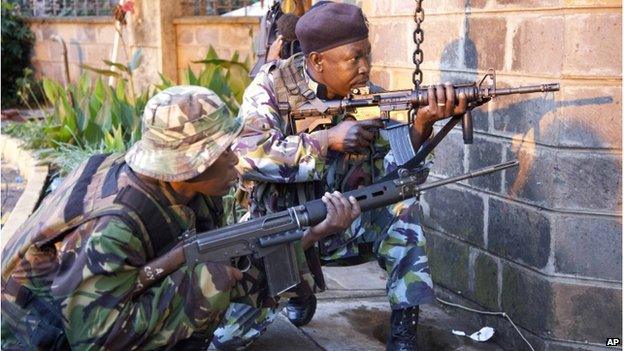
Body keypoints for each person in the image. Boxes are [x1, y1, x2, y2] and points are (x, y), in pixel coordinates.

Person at [0, 86, 360, 350]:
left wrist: (313, 233)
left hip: (77, 314)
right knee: (208, 285)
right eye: (224, 154)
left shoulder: (188, 192)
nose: (236, 162)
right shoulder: (114, 225)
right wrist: (206, 285)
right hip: (34, 336)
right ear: (189, 167)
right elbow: (93, 338)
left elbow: (231, 265)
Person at [215, 2, 468, 351]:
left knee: (402, 208)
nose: (365, 68)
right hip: (286, 227)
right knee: (227, 339)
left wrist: (423, 125)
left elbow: (398, 167)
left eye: (367, 55)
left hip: (349, 220)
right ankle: (297, 290)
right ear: (317, 61)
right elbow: (245, 156)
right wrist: (324, 141)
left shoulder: (369, 95)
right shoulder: (270, 90)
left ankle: (404, 327)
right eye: (354, 59)